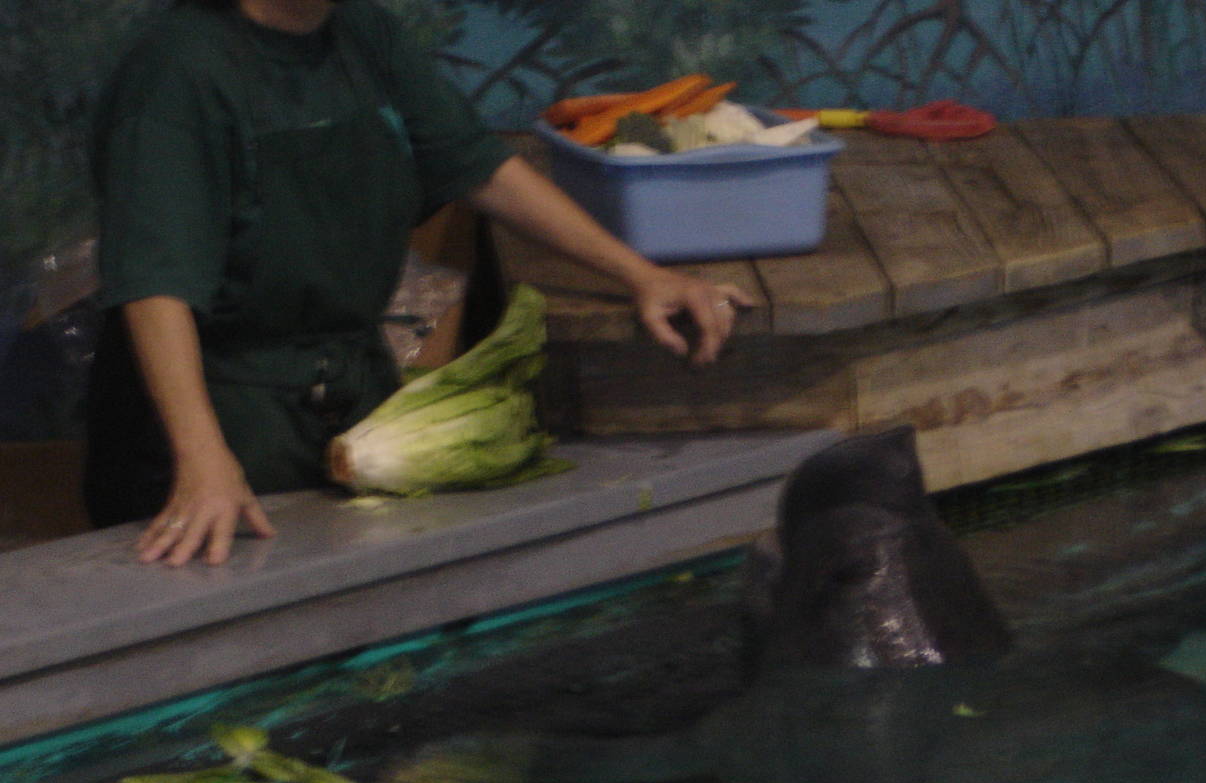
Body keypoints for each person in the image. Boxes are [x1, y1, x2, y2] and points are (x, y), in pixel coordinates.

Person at [84, 0, 751, 566]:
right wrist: (202, 458)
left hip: (349, 394)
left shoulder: (362, 34)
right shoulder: (177, 70)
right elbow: (156, 282)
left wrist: (640, 275)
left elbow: (476, 165)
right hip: (220, 413)